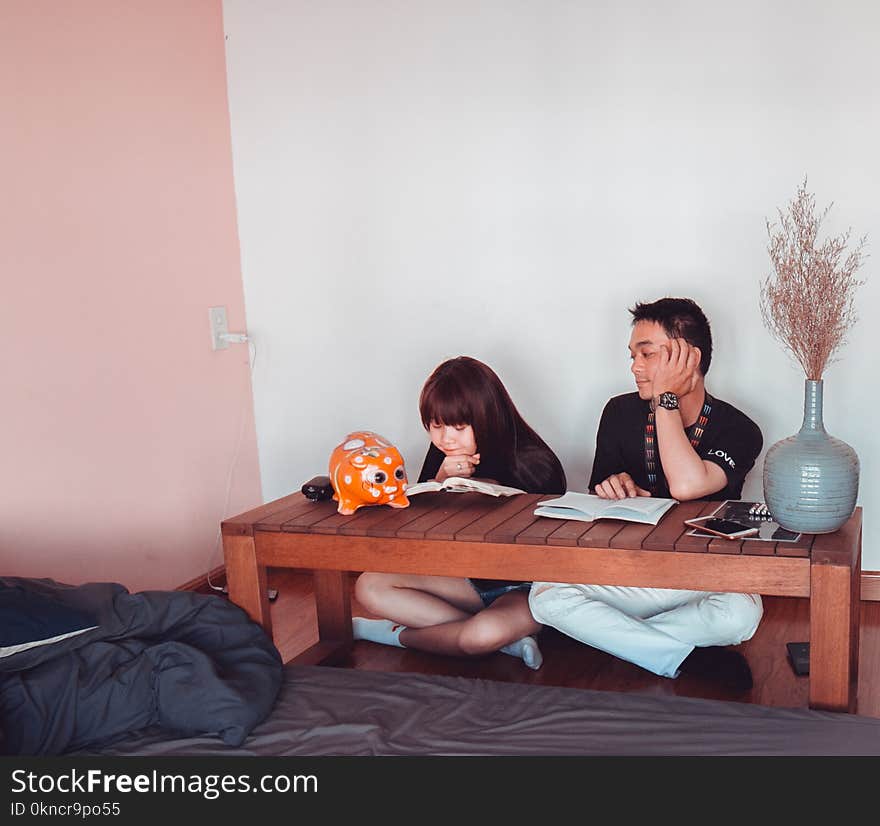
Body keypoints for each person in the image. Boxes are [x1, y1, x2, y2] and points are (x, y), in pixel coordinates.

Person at [528, 297, 764, 690]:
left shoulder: (740, 428)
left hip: (704, 575)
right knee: (544, 598)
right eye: (632, 355)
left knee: (741, 615)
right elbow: (596, 502)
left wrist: (665, 399)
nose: (634, 367)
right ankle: (676, 656)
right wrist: (610, 489)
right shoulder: (618, 413)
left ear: (689, 357)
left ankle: (603, 638)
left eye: (647, 354)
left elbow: (687, 485)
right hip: (632, 573)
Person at [353, 355, 566, 669]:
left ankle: (392, 634)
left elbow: (547, 543)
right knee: (368, 585)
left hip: (525, 587)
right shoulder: (443, 455)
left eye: (458, 426)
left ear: (487, 416)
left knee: (477, 637)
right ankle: (507, 642)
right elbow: (416, 530)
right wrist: (440, 480)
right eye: (436, 426)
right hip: (466, 580)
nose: (445, 438)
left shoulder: (533, 460)